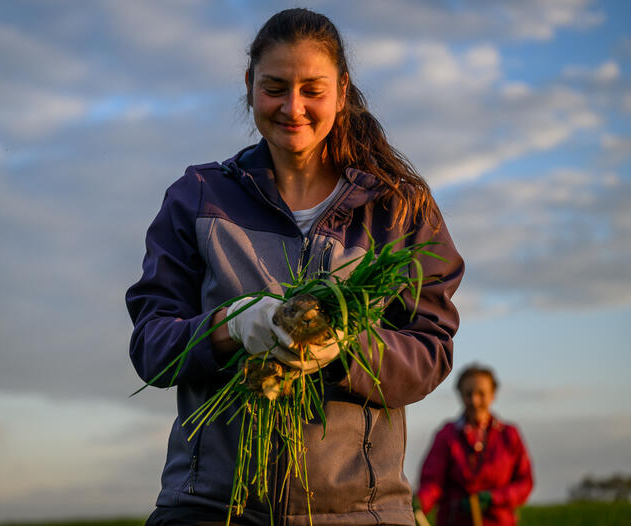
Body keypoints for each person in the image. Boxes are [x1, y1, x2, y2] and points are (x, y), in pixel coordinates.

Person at [126, 8, 464, 526]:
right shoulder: (197, 198)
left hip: (360, 511)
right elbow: (152, 346)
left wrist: (347, 350)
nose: (293, 107)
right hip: (211, 509)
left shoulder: (399, 208)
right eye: (275, 87)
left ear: (342, 90)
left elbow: (431, 347)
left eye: (313, 89)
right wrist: (231, 326)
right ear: (249, 85)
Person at [414, 365, 534, 526]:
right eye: (468, 394)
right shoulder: (447, 435)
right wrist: (420, 502)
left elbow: (525, 482)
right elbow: (432, 482)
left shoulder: (509, 435)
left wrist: (494, 498)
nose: (474, 401)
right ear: (461, 396)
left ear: (493, 395)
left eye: (481, 394)